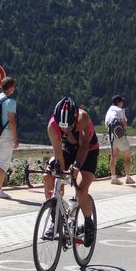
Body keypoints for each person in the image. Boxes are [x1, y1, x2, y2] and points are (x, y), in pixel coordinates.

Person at [45, 96, 100, 246]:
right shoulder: (52, 126)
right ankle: (55, 218)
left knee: (81, 190)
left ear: (75, 117)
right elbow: (58, 153)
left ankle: (88, 222)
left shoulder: (83, 117)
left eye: (69, 126)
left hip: (88, 151)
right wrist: (60, 180)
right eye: (62, 127)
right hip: (68, 150)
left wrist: (76, 166)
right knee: (49, 176)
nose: (65, 129)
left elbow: (84, 146)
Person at [105, 95, 134, 185]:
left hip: (111, 135)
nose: (122, 103)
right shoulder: (120, 110)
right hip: (120, 136)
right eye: (121, 101)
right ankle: (128, 177)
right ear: (119, 102)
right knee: (127, 156)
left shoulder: (109, 110)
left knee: (113, 157)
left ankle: (113, 178)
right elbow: (124, 124)